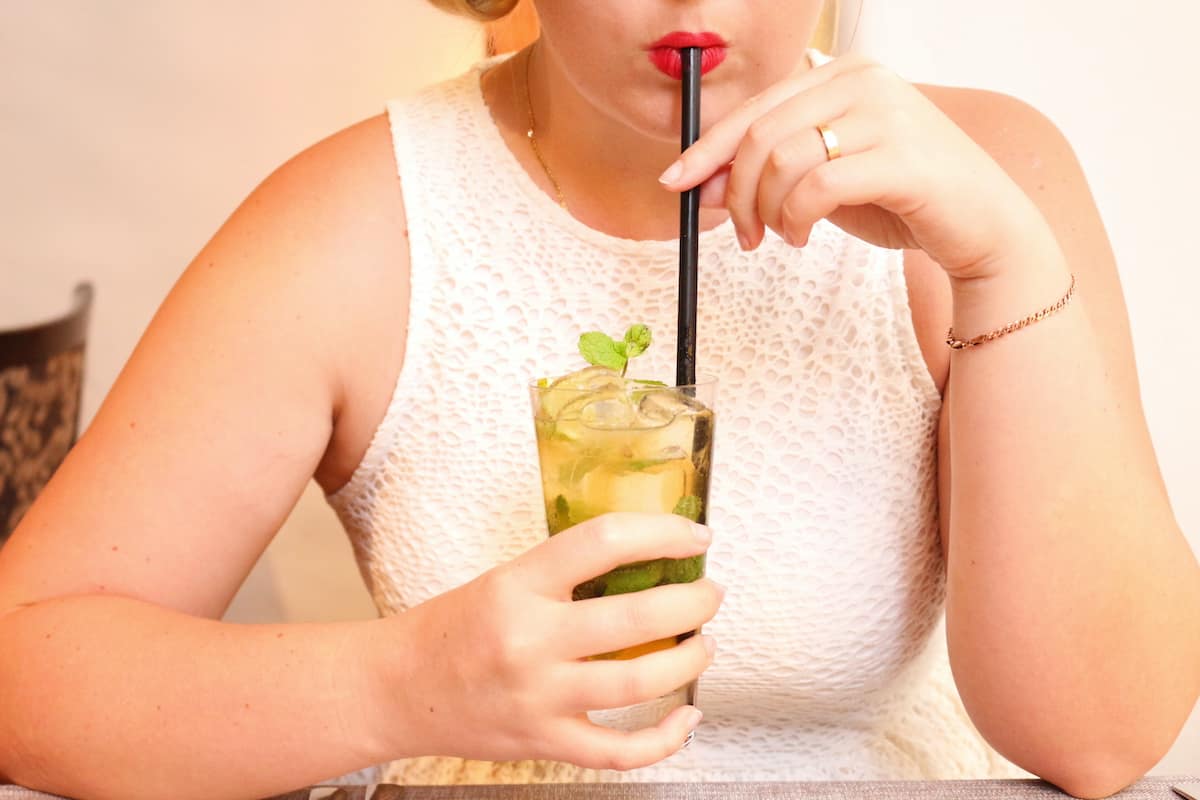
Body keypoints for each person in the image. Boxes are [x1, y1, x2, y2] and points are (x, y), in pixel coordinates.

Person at [1, 1, 1197, 798]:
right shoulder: (356, 225)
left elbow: (1101, 738)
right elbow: (25, 663)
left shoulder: (985, 177)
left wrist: (1002, 266)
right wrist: (400, 683)